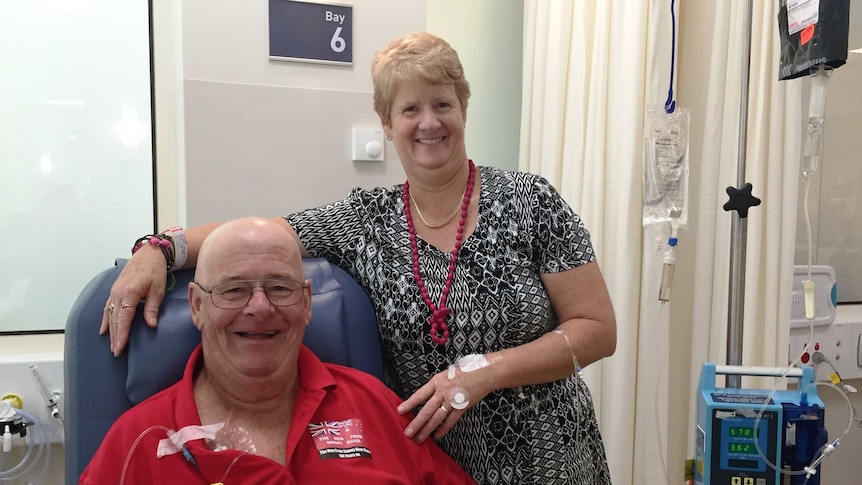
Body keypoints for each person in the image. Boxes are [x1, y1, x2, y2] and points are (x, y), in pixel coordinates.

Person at [103, 32, 617, 484]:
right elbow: (261, 237)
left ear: (463, 108)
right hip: (426, 458)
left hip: (551, 457)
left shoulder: (530, 203)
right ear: (387, 123)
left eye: (442, 104)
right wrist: (160, 249)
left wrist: (483, 371)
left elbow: (597, 328)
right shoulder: (367, 220)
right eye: (410, 109)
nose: (429, 123)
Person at [83, 217, 477, 484]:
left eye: (280, 288)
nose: (259, 307)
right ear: (197, 306)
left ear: (306, 303)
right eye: (234, 290)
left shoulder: (377, 407)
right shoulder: (136, 442)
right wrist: (157, 248)